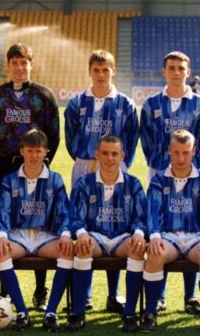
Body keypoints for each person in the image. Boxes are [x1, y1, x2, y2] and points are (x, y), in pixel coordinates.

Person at [0, 43, 60, 311]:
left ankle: (41, 290)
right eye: (14, 63)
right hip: (5, 168)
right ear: (8, 65)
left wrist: (39, 163)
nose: (19, 67)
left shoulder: (44, 95)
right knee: (5, 225)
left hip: (36, 169)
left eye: (24, 62)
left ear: (31, 64)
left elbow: (53, 134)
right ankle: (4, 291)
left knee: (39, 222)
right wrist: (7, 160)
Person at [64, 49, 139, 313]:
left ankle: (113, 294)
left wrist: (116, 163)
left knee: (115, 224)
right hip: (84, 165)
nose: (100, 74)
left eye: (105, 69)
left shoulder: (125, 104)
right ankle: (83, 295)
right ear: (89, 71)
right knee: (84, 226)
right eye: (96, 70)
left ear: (113, 71)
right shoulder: (76, 103)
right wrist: (84, 158)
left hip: (114, 167)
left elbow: (131, 138)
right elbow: (70, 137)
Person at [139, 51, 200, 313]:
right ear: (164, 71)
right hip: (160, 173)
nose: (176, 72)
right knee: (163, 229)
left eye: (181, 68)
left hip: (189, 175)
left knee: (189, 225)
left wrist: (192, 164)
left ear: (188, 71)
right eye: (171, 67)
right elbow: (146, 140)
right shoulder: (151, 104)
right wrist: (161, 163)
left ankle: (190, 296)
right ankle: (158, 296)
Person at [142, 130, 200, 332]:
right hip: (168, 236)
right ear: (169, 151)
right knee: (154, 253)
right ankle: (150, 312)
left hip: (196, 237)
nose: (181, 158)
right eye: (176, 152)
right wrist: (155, 235)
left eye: (186, 152)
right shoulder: (159, 181)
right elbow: (152, 212)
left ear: (194, 151)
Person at [68, 135, 148, 332]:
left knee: (137, 250)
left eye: (114, 154)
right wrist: (81, 233)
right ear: (97, 154)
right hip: (94, 236)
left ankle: (129, 313)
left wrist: (138, 233)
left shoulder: (133, 184)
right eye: (105, 153)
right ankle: (78, 312)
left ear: (122, 156)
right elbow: (75, 216)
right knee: (82, 248)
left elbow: (142, 216)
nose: (109, 158)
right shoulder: (84, 183)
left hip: (122, 237)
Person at [0, 129, 70, 331]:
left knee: (68, 251)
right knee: (0, 253)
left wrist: (64, 234)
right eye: (30, 151)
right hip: (18, 234)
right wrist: (1, 235)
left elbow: (64, 211)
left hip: (45, 235)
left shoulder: (56, 180)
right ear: (22, 152)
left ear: (46, 152)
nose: (34, 156)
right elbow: (2, 211)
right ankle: (21, 312)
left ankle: (51, 312)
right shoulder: (10, 180)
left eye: (38, 151)